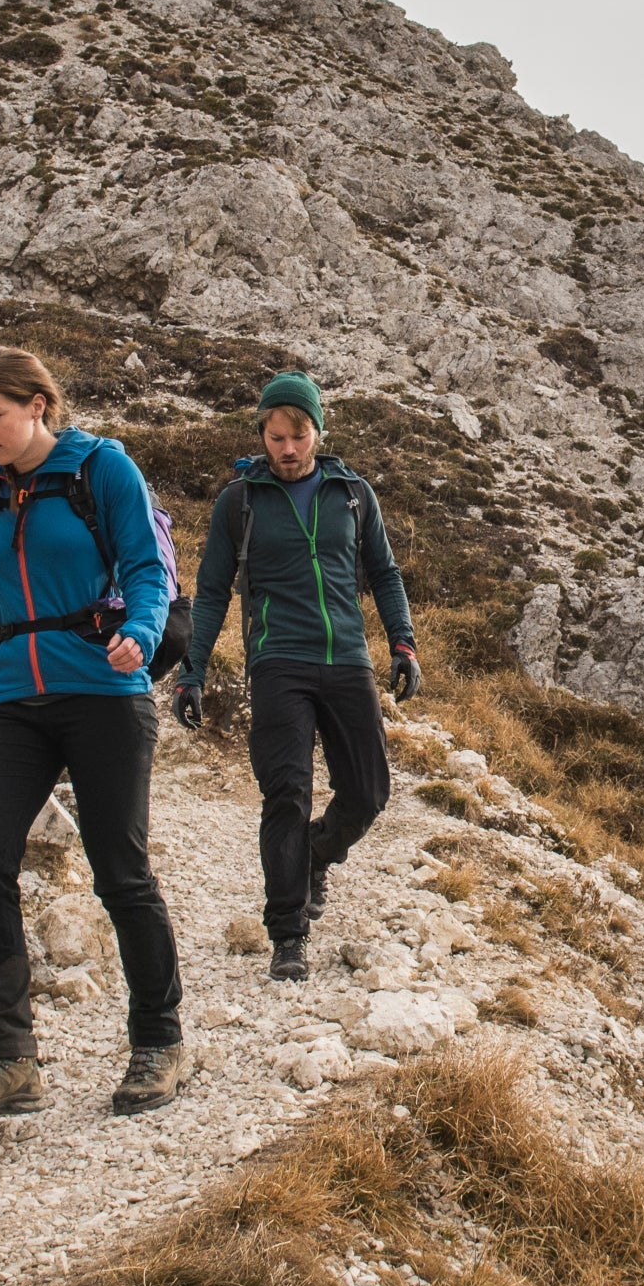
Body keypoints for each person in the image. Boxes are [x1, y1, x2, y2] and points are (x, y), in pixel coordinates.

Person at [0, 346, 192, 1119]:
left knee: (120, 872)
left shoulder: (101, 469)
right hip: (11, 701)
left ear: (38, 404)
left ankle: (160, 1040)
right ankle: (9, 1058)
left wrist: (140, 631)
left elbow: (148, 568)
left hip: (104, 688)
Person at [173, 371, 421, 982]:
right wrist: (192, 670)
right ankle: (288, 933)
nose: (287, 448)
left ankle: (315, 853)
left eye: (299, 435)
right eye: (276, 435)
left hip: (347, 660)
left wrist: (403, 642)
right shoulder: (240, 502)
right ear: (262, 432)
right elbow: (210, 594)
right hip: (277, 659)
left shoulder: (354, 494)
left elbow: (384, 575)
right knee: (287, 792)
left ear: (318, 433)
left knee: (368, 793)